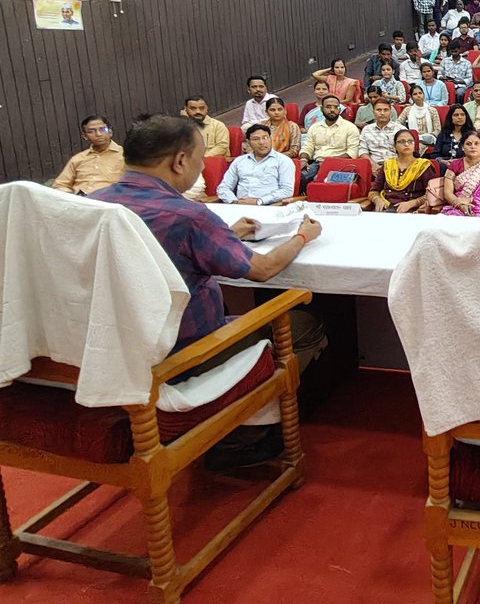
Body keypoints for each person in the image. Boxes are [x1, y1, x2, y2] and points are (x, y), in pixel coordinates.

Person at [91, 114, 323, 469]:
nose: (201, 169)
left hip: (107, 353)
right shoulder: (190, 216)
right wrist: (303, 237)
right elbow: (263, 270)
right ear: (180, 160)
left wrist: (227, 234)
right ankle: (242, 436)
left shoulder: (91, 206)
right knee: (304, 324)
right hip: (180, 354)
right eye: (199, 161)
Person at [216, 123, 295, 205]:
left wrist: (259, 201)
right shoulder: (239, 161)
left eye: (265, 138)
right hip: (240, 207)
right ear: (248, 142)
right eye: (256, 139)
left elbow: (287, 191)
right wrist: (235, 202)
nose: (261, 142)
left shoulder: (283, 161)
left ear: (271, 139)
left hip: (269, 207)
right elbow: (223, 188)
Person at [369, 129, 437, 213]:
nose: (406, 144)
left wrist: (412, 203)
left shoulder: (423, 166)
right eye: (401, 141)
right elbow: (373, 191)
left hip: (412, 210)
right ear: (395, 146)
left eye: (410, 141)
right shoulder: (388, 165)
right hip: (385, 208)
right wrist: (377, 200)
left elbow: (432, 194)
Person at [299, 95, 360, 190]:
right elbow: (307, 147)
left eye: (336, 107)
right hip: (317, 163)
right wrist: (303, 159)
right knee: (298, 177)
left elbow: (352, 152)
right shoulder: (314, 127)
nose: (332, 110)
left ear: (340, 110)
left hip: (341, 165)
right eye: (328, 107)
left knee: (320, 181)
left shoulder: (350, 127)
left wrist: (329, 163)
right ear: (321, 109)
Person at [53, 115, 125, 195]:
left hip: (110, 201)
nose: (98, 134)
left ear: (110, 132)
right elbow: (60, 185)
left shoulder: (125, 155)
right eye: (91, 131)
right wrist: (71, 197)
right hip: (80, 201)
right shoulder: (77, 159)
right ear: (85, 136)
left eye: (102, 129)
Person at [441, 131, 480, 218]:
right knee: (453, 219)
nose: (473, 146)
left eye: (476, 144)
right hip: (457, 207)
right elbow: (447, 193)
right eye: (468, 144)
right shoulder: (454, 165)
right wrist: (460, 205)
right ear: (462, 147)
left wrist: (471, 200)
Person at [357, 98, 403, 176]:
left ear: (390, 112)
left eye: (385, 110)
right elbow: (362, 151)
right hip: (373, 167)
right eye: (379, 110)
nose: (382, 113)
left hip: (396, 167)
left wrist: (391, 167)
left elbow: (406, 153)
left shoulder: (400, 130)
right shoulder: (367, 129)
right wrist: (373, 165)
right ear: (373, 112)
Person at [398, 84, 441, 150]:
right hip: (412, 138)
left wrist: (429, 136)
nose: (418, 96)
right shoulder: (408, 110)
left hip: (429, 139)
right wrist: (406, 134)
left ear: (423, 94)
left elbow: (438, 129)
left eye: (420, 93)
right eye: (415, 94)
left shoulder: (432, 110)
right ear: (411, 97)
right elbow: (398, 124)